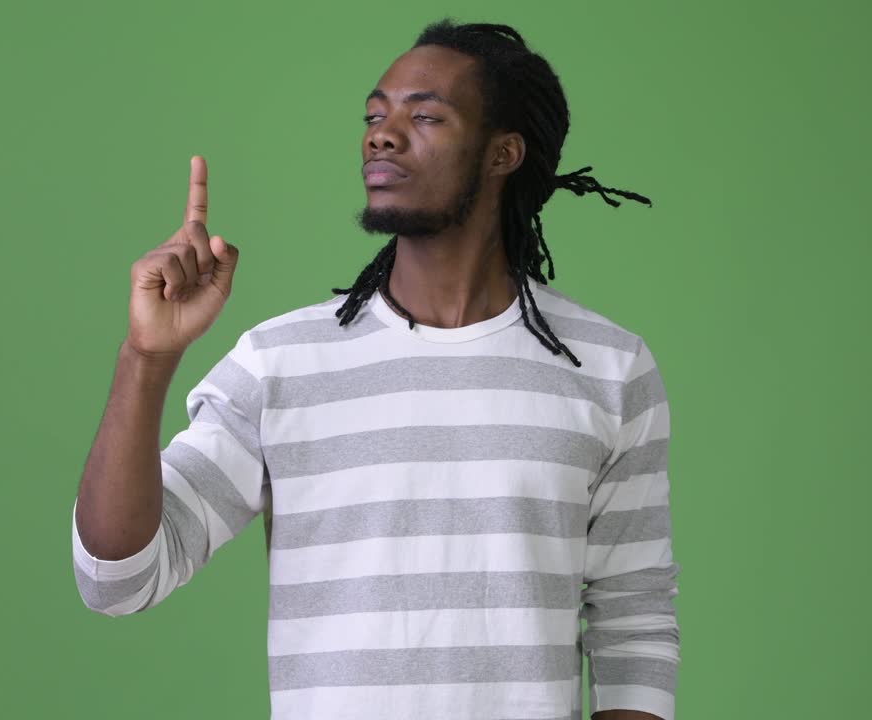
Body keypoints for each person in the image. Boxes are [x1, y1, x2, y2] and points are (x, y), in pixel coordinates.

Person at [72, 18, 679, 720]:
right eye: (374, 115)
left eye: (424, 116)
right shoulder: (281, 363)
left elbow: (633, 620)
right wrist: (147, 358)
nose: (381, 135)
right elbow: (115, 578)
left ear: (503, 153)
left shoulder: (609, 367)